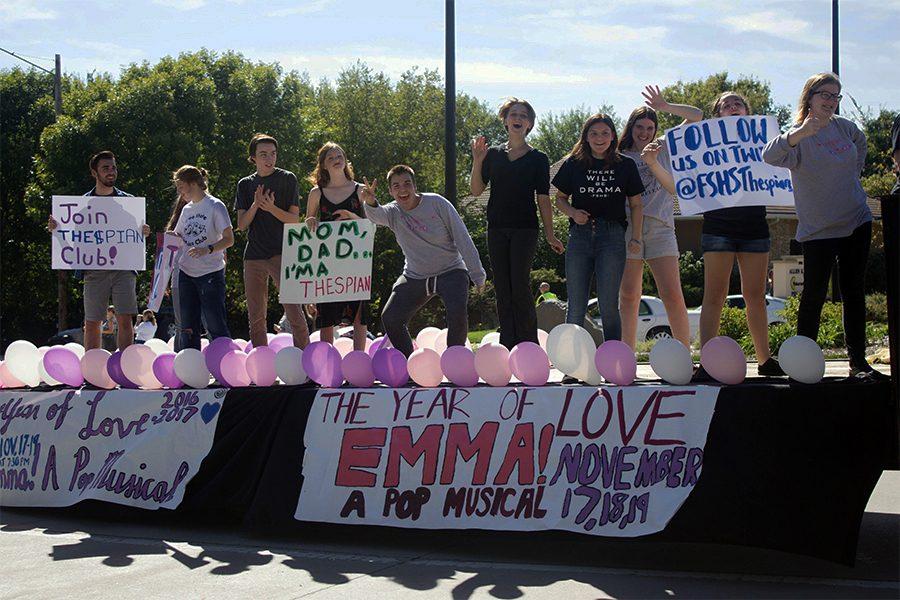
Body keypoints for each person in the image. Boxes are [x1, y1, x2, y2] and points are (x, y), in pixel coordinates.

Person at [763, 73, 886, 381]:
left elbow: (861, 143)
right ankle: (803, 365)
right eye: (826, 95)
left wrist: (851, 178)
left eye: (836, 96)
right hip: (818, 229)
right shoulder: (797, 136)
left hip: (856, 218)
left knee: (852, 291)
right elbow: (769, 155)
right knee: (814, 295)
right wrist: (799, 133)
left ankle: (858, 362)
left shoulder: (845, 128)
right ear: (810, 97)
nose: (831, 101)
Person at [694, 92, 784, 379]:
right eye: (725, 105)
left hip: (754, 227)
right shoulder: (706, 142)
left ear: (747, 111)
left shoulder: (764, 142)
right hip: (718, 225)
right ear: (717, 114)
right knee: (715, 295)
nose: (732, 107)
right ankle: (707, 362)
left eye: (738, 104)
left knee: (756, 296)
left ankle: (764, 360)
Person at [362, 165, 486, 357]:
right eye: (396, 186)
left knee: (457, 313)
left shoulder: (437, 203)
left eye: (406, 184)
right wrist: (370, 201)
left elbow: (462, 237)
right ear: (390, 191)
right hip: (415, 275)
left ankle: (455, 359)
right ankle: (409, 361)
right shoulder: (393, 212)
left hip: (451, 271)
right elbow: (376, 216)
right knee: (391, 317)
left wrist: (477, 274)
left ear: (415, 185)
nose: (402, 190)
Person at [470, 98, 564, 349]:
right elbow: (477, 190)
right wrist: (478, 160)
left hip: (525, 228)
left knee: (519, 285)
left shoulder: (538, 158)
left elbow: (543, 198)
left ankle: (528, 344)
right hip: (497, 228)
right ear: (505, 120)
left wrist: (551, 234)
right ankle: (507, 344)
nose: (518, 118)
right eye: (513, 114)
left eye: (523, 115)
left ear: (529, 124)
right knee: (502, 286)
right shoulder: (492, 155)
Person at [618, 86, 701, 349]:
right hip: (629, 229)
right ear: (631, 128)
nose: (644, 133)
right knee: (629, 296)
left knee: (672, 295)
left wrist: (664, 106)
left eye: (649, 128)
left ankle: (683, 353)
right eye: (639, 127)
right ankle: (627, 354)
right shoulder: (618, 155)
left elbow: (697, 116)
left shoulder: (664, 146)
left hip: (661, 227)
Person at [553, 113, 644, 342]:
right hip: (579, 237)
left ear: (613, 136)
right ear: (586, 137)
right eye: (593, 133)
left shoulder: (626, 165)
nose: (599, 138)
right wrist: (573, 213)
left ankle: (613, 364)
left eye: (605, 133)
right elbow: (560, 198)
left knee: (609, 306)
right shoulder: (574, 163)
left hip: (612, 237)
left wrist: (636, 237)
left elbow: (636, 204)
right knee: (576, 306)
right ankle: (572, 366)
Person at [47, 151, 150, 351]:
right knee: (92, 321)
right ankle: (93, 371)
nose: (111, 171)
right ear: (94, 173)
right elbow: (72, 236)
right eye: (105, 168)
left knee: (125, 320)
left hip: (124, 269)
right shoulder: (82, 205)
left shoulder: (129, 202)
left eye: (113, 167)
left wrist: (143, 231)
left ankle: (125, 367)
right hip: (94, 270)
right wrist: (56, 228)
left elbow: (135, 234)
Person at [235, 133, 310, 350]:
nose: (269, 158)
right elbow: (241, 225)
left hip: (282, 252)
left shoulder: (287, 178)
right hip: (254, 255)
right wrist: (256, 205)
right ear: (253, 158)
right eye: (263, 154)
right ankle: (261, 363)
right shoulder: (244, 184)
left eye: (273, 154)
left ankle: (305, 363)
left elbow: (295, 220)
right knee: (256, 316)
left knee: (295, 312)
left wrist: (271, 208)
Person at [305, 142, 368, 351]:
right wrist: (311, 221)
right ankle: (326, 360)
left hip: (357, 259)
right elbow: (308, 222)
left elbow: (371, 224)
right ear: (323, 164)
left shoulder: (360, 190)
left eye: (339, 155)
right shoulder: (316, 193)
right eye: (330, 157)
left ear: (345, 159)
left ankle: (359, 358)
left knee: (360, 310)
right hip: (328, 261)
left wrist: (351, 216)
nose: (336, 159)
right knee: (326, 314)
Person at [169, 165, 234, 350]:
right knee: (188, 326)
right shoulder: (187, 209)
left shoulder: (215, 205)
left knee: (215, 323)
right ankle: (191, 371)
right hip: (186, 273)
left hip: (210, 273)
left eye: (181, 186)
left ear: (192, 183)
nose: (179, 191)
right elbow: (179, 235)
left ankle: (224, 366)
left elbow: (229, 239)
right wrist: (171, 238)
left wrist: (208, 249)